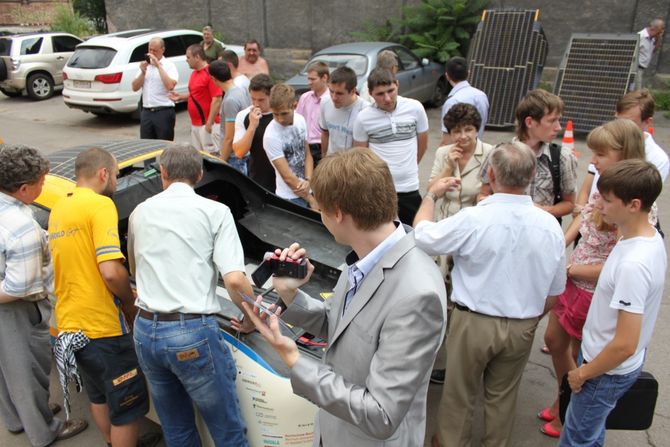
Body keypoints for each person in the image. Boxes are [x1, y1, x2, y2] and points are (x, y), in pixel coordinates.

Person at [242, 147, 447, 446]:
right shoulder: (367, 257)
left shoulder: (417, 296)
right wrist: (289, 295)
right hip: (334, 429)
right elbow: (340, 324)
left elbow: (381, 415)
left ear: (337, 212)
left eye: (319, 208)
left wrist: (294, 358)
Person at [413, 142, 566, 447]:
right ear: (532, 175)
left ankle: (451, 442)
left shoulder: (473, 219)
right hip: (522, 324)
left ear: (492, 175)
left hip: (474, 322)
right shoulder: (550, 226)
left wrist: (431, 195)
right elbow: (555, 289)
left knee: (459, 393)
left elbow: (422, 236)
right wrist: (531, 318)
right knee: (503, 397)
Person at [128, 144, 252, 447]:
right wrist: (252, 318)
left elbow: (134, 267)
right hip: (191, 334)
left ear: (163, 173)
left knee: (177, 429)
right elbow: (235, 279)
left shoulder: (139, 212)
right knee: (227, 431)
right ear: (199, 174)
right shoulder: (216, 212)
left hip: (145, 330)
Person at [539, 119, 651, 438]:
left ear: (625, 154)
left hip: (592, 292)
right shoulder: (607, 184)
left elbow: (616, 265)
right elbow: (585, 218)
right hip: (573, 280)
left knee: (575, 353)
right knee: (553, 341)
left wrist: (571, 269)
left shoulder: (630, 203)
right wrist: (559, 243)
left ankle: (570, 409)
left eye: (600, 154)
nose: (593, 161)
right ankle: (566, 399)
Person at [560, 160, 666, 447]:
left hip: (603, 371)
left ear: (633, 205)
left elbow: (625, 344)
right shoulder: (647, 237)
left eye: (607, 200)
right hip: (606, 366)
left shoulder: (633, 264)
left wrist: (582, 373)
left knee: (576, 439)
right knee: (591, 433)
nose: (598, 205)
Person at [48, 148, 149, 447]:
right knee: (127, 408)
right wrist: (130, 304)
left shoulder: (59, 207)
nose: (116, 181)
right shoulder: (100, 205)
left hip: (70, 326)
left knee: (99, 396)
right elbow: (110, 271)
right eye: (117, 175)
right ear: (104, 173)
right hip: (103, 328)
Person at [0, 145, 87, 446]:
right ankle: (43, 430)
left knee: (5, 370)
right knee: (27, 372)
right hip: (16, 310)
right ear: (24, 189)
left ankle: (16, 418)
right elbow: (17, 288)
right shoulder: (21, 227)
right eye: (41, 181)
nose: (44, 185)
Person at [426, 103, 493, 385]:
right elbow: (431, 192)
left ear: (476, 129)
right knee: (439, 294)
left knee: (465, 298)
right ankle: (437, 358)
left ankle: (460, 361)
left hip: (473, 236)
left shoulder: (489, 154)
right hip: (445, 233)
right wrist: (447, 166)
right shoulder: (444, 153)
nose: (463, 136)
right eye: (456, 131)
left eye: (468, 129)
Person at [479, 89, 577, 222]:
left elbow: (570, 203)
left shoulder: (561, 157)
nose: (559, 127)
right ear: (530, 122)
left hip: (538, 234)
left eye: (559, 120)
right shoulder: (498, 153)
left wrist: (542, 210)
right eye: (552, 120)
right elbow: (483, 193)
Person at [353, 68, 429, 226]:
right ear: (371, 93)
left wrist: (408, 168)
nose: (387, 98)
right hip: (380, 191)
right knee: (382, 237)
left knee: (416, 235)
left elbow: (423, 144)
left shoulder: (415, 108)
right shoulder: (363, 118)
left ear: (397, 85)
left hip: (410, 188)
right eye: (380, 94)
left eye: (391, 91)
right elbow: (361, 157)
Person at [263, 83, 315, 208]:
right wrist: (311, 200)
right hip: (289, 197)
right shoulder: (271, 135)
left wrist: (308, 180)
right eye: (275, 114)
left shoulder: (300, 120)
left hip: (308, 189)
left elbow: (307, 154)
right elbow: (287, 177)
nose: (280, 119)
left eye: (284, 113)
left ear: (294, 106)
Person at [169, 44, 222, 153]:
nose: (186, 60)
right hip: (195, 125)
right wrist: (181, 97)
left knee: (211, 156)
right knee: (199, 157)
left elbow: (217, 99)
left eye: (188, 57)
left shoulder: (210, 73)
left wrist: (209, 123)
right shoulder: (194, 74)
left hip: (207, 125)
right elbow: (196, 94)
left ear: (197, 57)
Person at [232, 74, 276, 191]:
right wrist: (252, 126)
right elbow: (239, 152)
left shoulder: (281, 113)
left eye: (261, 100)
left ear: (271, 96)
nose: (256, 104)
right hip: (259, 180)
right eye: (253, 99)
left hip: (284, 181)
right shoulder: (244, 115)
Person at [131, 37, 179, 141]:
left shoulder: (169, 66)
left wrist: (158, 66)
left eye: (155, 50)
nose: (151, 53)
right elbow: (134, 87)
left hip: (163, 111)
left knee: (164, 144)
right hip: (146, 112)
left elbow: (170, 86)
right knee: (147, 145)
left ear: (162, 50)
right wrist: (143, 72)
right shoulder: (145, 65)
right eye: (150, 50)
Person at [209, 60, 251, 174]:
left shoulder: (230, 100)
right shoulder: (241, 90)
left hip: (235, 157)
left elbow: (229, 137)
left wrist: (222, 161)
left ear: (213, 79)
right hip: (245, 151)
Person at [319, 66, 367, 157]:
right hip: (331, 163)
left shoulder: (365, 109)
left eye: (339, 93)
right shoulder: (325, 102)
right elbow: (325, 133)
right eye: (331, 91)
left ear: (353, 91)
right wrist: (323, 158)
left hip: (352, 165)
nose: (334, 97)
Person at [439, 56, 489, 145]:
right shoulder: (481, 95)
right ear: (468, 73)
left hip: (458, 152)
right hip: (478, 149)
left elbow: (447, 138)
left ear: (447, 76)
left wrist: (440, 156)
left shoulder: (452, 101)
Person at [295, 61, 329, 167]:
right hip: (305, 145)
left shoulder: (330, 100)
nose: (309, 82)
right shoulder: (305, 97)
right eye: (308, 78)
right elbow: (297, 121)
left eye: (313, 79)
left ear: (324, 78)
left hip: (321, 146)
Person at [633, 19, 665, 90]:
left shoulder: (652, 38)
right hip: (636, 68)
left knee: (637, 92)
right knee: (637, 93)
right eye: (661, 28)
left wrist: (658, 38)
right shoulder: (640, 36)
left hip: (642, 69)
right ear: (653, 28)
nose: (662, 31)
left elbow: (653, 51)